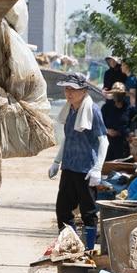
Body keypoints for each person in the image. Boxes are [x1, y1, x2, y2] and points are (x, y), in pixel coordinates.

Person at [48, 72, 107, 250]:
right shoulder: (70, 110)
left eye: (73, 89)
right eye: (66, 89)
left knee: (88, 212)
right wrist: (57, 162)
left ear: (83, 91)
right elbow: (68, 137)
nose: (69, 93)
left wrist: (98, 168)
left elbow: (103, 140)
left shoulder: (92, 110)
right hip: (69, 166)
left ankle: (88, 249)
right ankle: (70, 247)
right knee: (63, 210)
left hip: (86, 169)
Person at [100, 82, 135, 161]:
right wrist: (107, 131)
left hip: (122, 147)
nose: (117, 96)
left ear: (124, 95)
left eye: (119, 94)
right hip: (107, 146)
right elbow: (98, 125)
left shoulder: (129, 109)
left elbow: (133, 126)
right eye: (115, 94)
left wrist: (130, 134)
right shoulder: (106, 108)